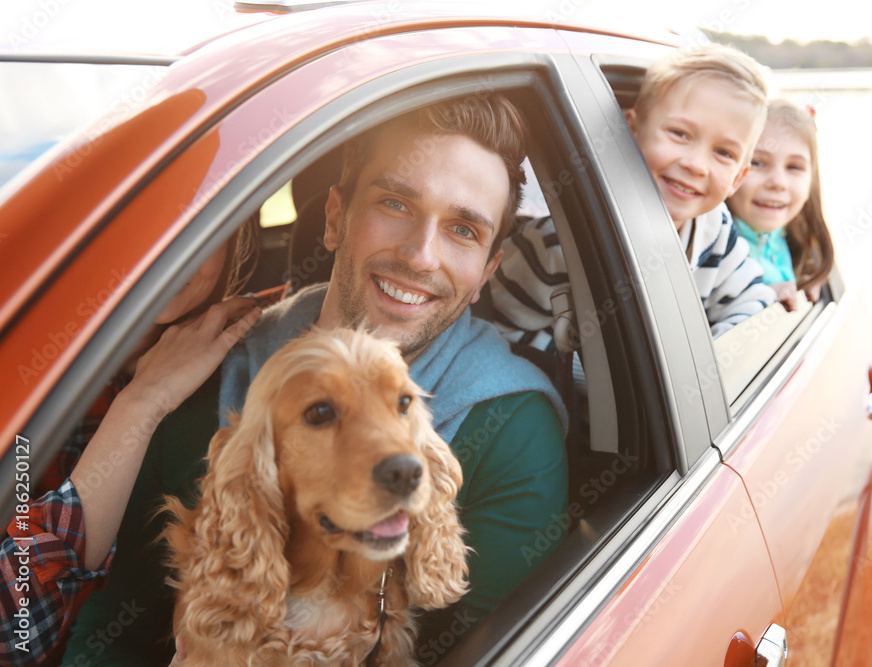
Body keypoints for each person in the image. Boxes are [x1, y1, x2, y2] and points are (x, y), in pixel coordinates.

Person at [64, 94, 569, 665]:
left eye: (462, 230)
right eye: (396, 203)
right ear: (334, 218)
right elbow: (117, 623)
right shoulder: (207, 370)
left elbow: (494, 651)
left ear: (486, 273)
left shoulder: (510, 422)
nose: (422, 256)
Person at [0, 226, 265, 666]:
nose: (171, 249)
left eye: (199, 224)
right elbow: (13, 636)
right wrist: (141, 402)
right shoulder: (22, 369)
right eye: (158, 219)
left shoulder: (252, 344)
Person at [490, 44, 776, 347]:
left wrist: (710, 364)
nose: (696, 165)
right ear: (631, 130)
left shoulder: (714, 229)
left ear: (737, 179)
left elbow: (754, 304)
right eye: (680, 134)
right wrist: (583, 375)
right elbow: (497, 329)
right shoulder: (555, 245)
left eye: (723, 152)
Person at [726, 99, 834, 311]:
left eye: (794, 167)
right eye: (757, 162)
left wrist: (807, 279)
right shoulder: (716, 249)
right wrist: (760, 298)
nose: (778, 182)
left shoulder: (798, 242)